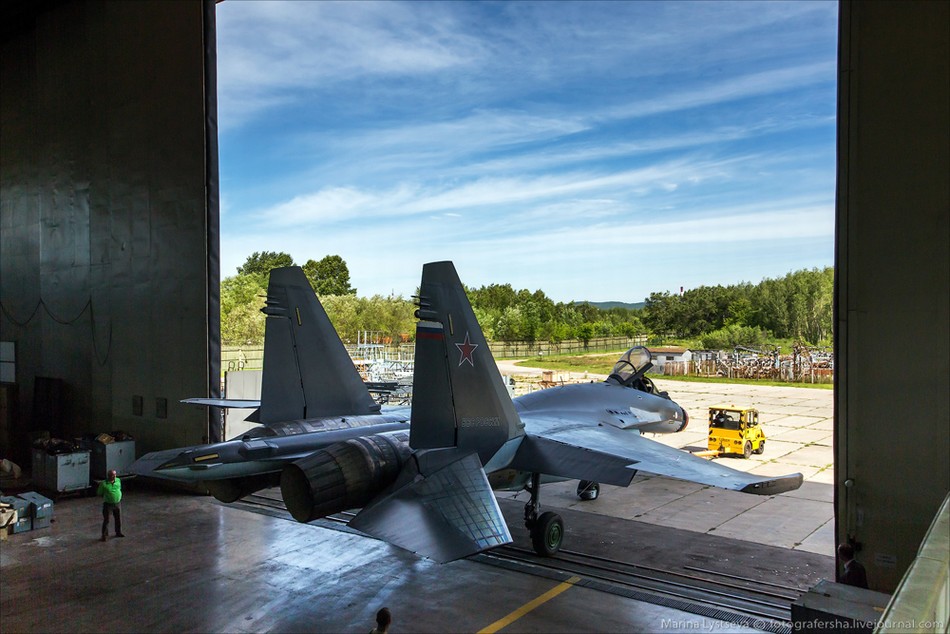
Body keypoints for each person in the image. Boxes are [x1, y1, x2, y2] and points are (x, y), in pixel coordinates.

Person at [97, 469, 124, 541]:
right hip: (108, 504)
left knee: (118, 518)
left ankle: (118, 532)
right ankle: (104, 535)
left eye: (115, 475)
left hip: (117, 503)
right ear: (108, 476)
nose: (114, 476)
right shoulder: (104, 484)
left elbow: (119, 488)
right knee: (107, 520)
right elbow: (99, 493)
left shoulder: (118, 480)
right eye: (112, 475)